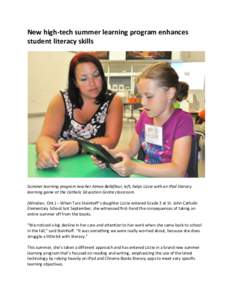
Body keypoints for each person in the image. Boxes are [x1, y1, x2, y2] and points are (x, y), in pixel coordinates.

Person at [93, 62, 194, 177]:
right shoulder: (144, 116)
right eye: (141, 96)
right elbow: (131, 149)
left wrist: (135, 167)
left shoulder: (183, 121)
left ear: (170, 93)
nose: (143, 102)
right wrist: (109, 155)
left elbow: (177, 171)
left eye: (149, 96)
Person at [36, 52, 123, 169]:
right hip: (63, 165)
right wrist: (46, 153)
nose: (92, 83)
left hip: (96, 165)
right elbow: (46, 136)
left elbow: (111, 140)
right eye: (84, 79)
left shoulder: (113, 101)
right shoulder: (60, 100)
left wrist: (80, 146)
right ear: (75, 82)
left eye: (96, 75)